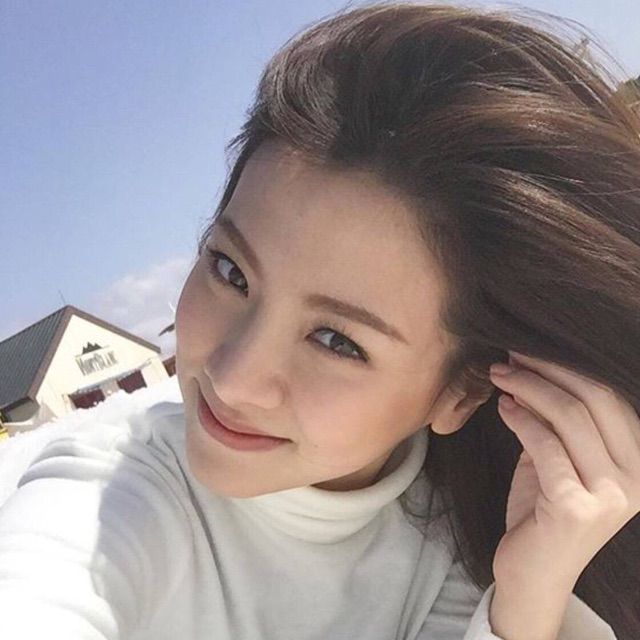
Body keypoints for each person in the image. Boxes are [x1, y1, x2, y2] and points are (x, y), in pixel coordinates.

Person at [1, 2, 639, 638]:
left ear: (459, 391)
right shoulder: (110, 496)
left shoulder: (470, 542)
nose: (233, 379)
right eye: (230, 271)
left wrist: (528, 599)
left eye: (336, 341)